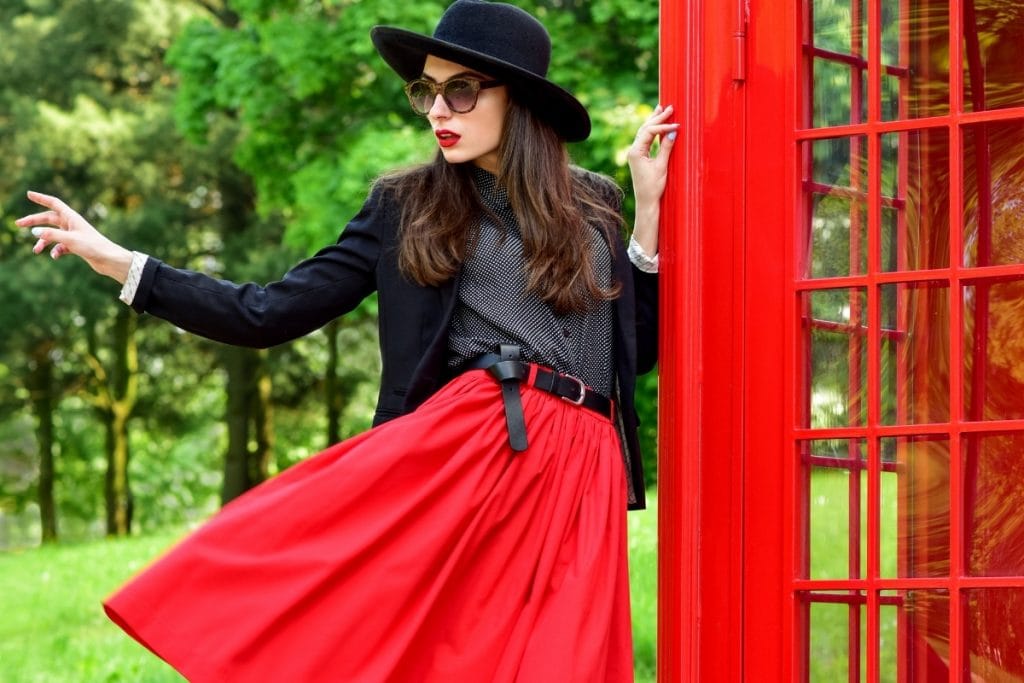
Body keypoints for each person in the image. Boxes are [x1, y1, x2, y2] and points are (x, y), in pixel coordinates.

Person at [17, 0, 676, 680]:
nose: (437, 111)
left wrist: (648, 214)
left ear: (522, 100)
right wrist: (126, 264)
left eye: (460, 90)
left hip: (583, 467)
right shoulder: (408, 205)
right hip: (473, 453)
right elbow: (270, 311)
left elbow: (636, 354)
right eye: (425, 91)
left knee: (566, 664)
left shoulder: (596, 202)